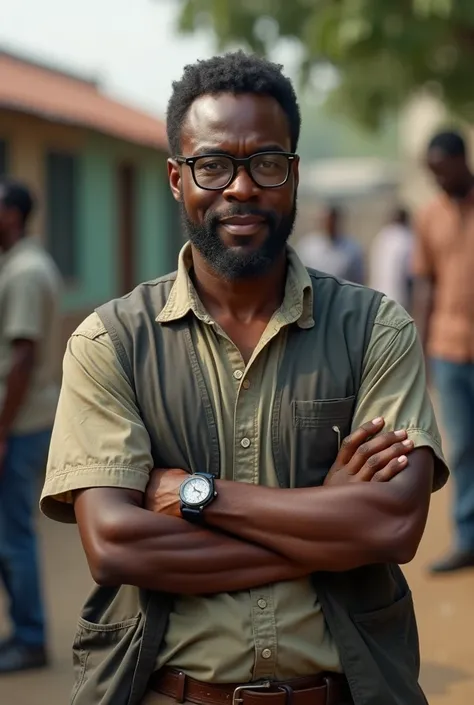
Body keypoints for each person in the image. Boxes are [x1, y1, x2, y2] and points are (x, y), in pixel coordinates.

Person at [41, 52, 447, 705]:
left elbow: (394, 525)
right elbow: (115, 544)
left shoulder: (376, 328)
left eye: (265, 162)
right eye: (212, 164)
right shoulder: (109, 342)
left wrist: (197, 496)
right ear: (177, 177)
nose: (240, 187)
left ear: (292, 173)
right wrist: (329, 520)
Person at [0, 180, 61, 673]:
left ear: (14, 215)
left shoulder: (24, 271)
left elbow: (21, 360)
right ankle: (24, 632)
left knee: (12, 535)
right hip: (19, 421)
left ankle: (30, 636)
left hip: (19, 425)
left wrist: (1, 433)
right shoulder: (20, 264)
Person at [413, 129, 474, 574]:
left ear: (461, 160)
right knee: (463, 446)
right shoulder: (429, 216)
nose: (438, 180)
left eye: (442, 170)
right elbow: (425, 284)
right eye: (431, 173)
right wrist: (417, 344)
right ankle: (468, 539)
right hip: (448, 349)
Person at [295, 205, 365, 283]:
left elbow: (359, 280)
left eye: (333, 220)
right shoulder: (308, 246)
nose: (329, 223)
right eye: (327, 220)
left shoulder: (352, 248)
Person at [369, 206, 414, 311]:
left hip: (378, 297)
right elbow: (411, 274)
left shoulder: (382, 237)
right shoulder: (407, 239)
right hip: (399, 300)